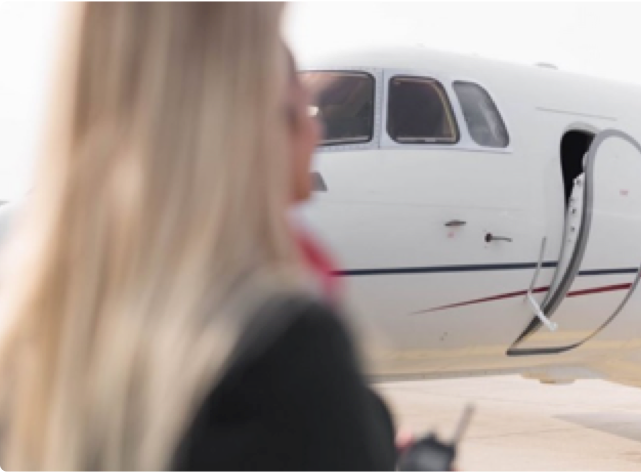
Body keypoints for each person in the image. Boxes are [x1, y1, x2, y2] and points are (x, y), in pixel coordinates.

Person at [0, 1, 397, 472]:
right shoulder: (279, 352)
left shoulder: (31, 345)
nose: (316, 129)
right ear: (249, 124)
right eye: (298, 106)